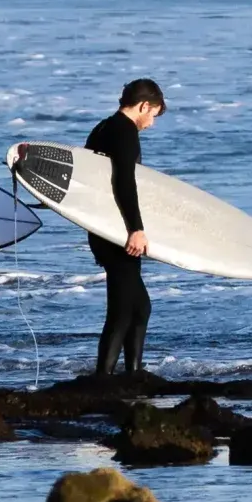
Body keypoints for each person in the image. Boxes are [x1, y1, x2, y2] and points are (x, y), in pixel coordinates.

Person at [84, 77, 165, 381]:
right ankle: (103, 378)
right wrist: (136, 229)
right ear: (144, 106)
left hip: (103, 229)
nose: (150, 123)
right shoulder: (125, 132)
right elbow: (124, 182)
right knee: (122, 310)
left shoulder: (103, 128)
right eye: (152, 115)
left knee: (139, 306)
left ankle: (132, 374)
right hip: (117, 232)